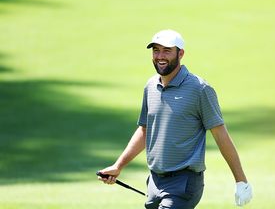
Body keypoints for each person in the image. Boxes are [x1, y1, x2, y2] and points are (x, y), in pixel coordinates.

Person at [98, 29, 253, 208]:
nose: (160, 56)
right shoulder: (150, 86)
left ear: (181, 53)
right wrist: (118, 166)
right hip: (155, 182)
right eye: (156, 50)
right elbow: (145, 130)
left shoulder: (199, 89)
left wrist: (241, 180)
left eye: (166, 50)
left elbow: (220, 135)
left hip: (184, 182)